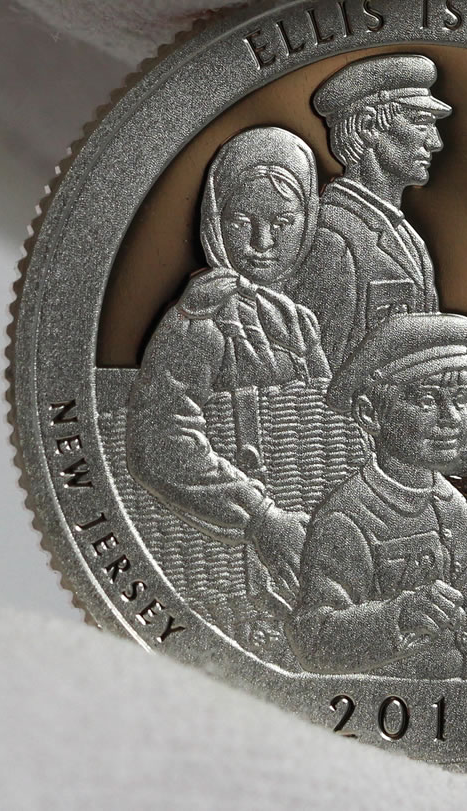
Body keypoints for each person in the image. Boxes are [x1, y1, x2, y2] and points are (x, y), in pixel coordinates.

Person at [126, 126, 330, 611]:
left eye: (283, 221)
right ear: (216, 220)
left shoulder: (298, 321)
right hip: (221, 558)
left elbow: (324, 422)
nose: (263, 241)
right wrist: (261, 517)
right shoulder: (202, 318)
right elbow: (161, 440)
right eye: (243, 221)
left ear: (308, 221)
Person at [287, 312, 467, 678]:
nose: (450, 417)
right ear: (370, 414)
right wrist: (397, 618)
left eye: (460, 398)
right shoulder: (345, 519)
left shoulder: (455, 509)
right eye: (427, 400)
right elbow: (315, 641)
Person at [294, 54, 451, 367]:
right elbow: (322, 375)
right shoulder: (331, 237)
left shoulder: (409, 237)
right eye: (421, 123)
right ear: (368, 126)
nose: (435, 142)